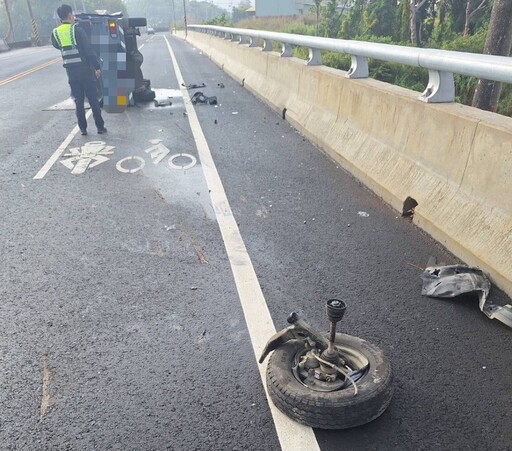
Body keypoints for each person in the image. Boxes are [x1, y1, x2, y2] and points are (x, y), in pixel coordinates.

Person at [52, 4, 107, 136]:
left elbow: (57, 46)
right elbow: (88, 51)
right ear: (70, 15)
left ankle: (83, 128)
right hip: (85, 71)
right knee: (93, 99)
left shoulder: (55, 33)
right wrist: (97, 67)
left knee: (79, 100)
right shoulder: (77, 30)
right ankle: (100, 127)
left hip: (71, 73)